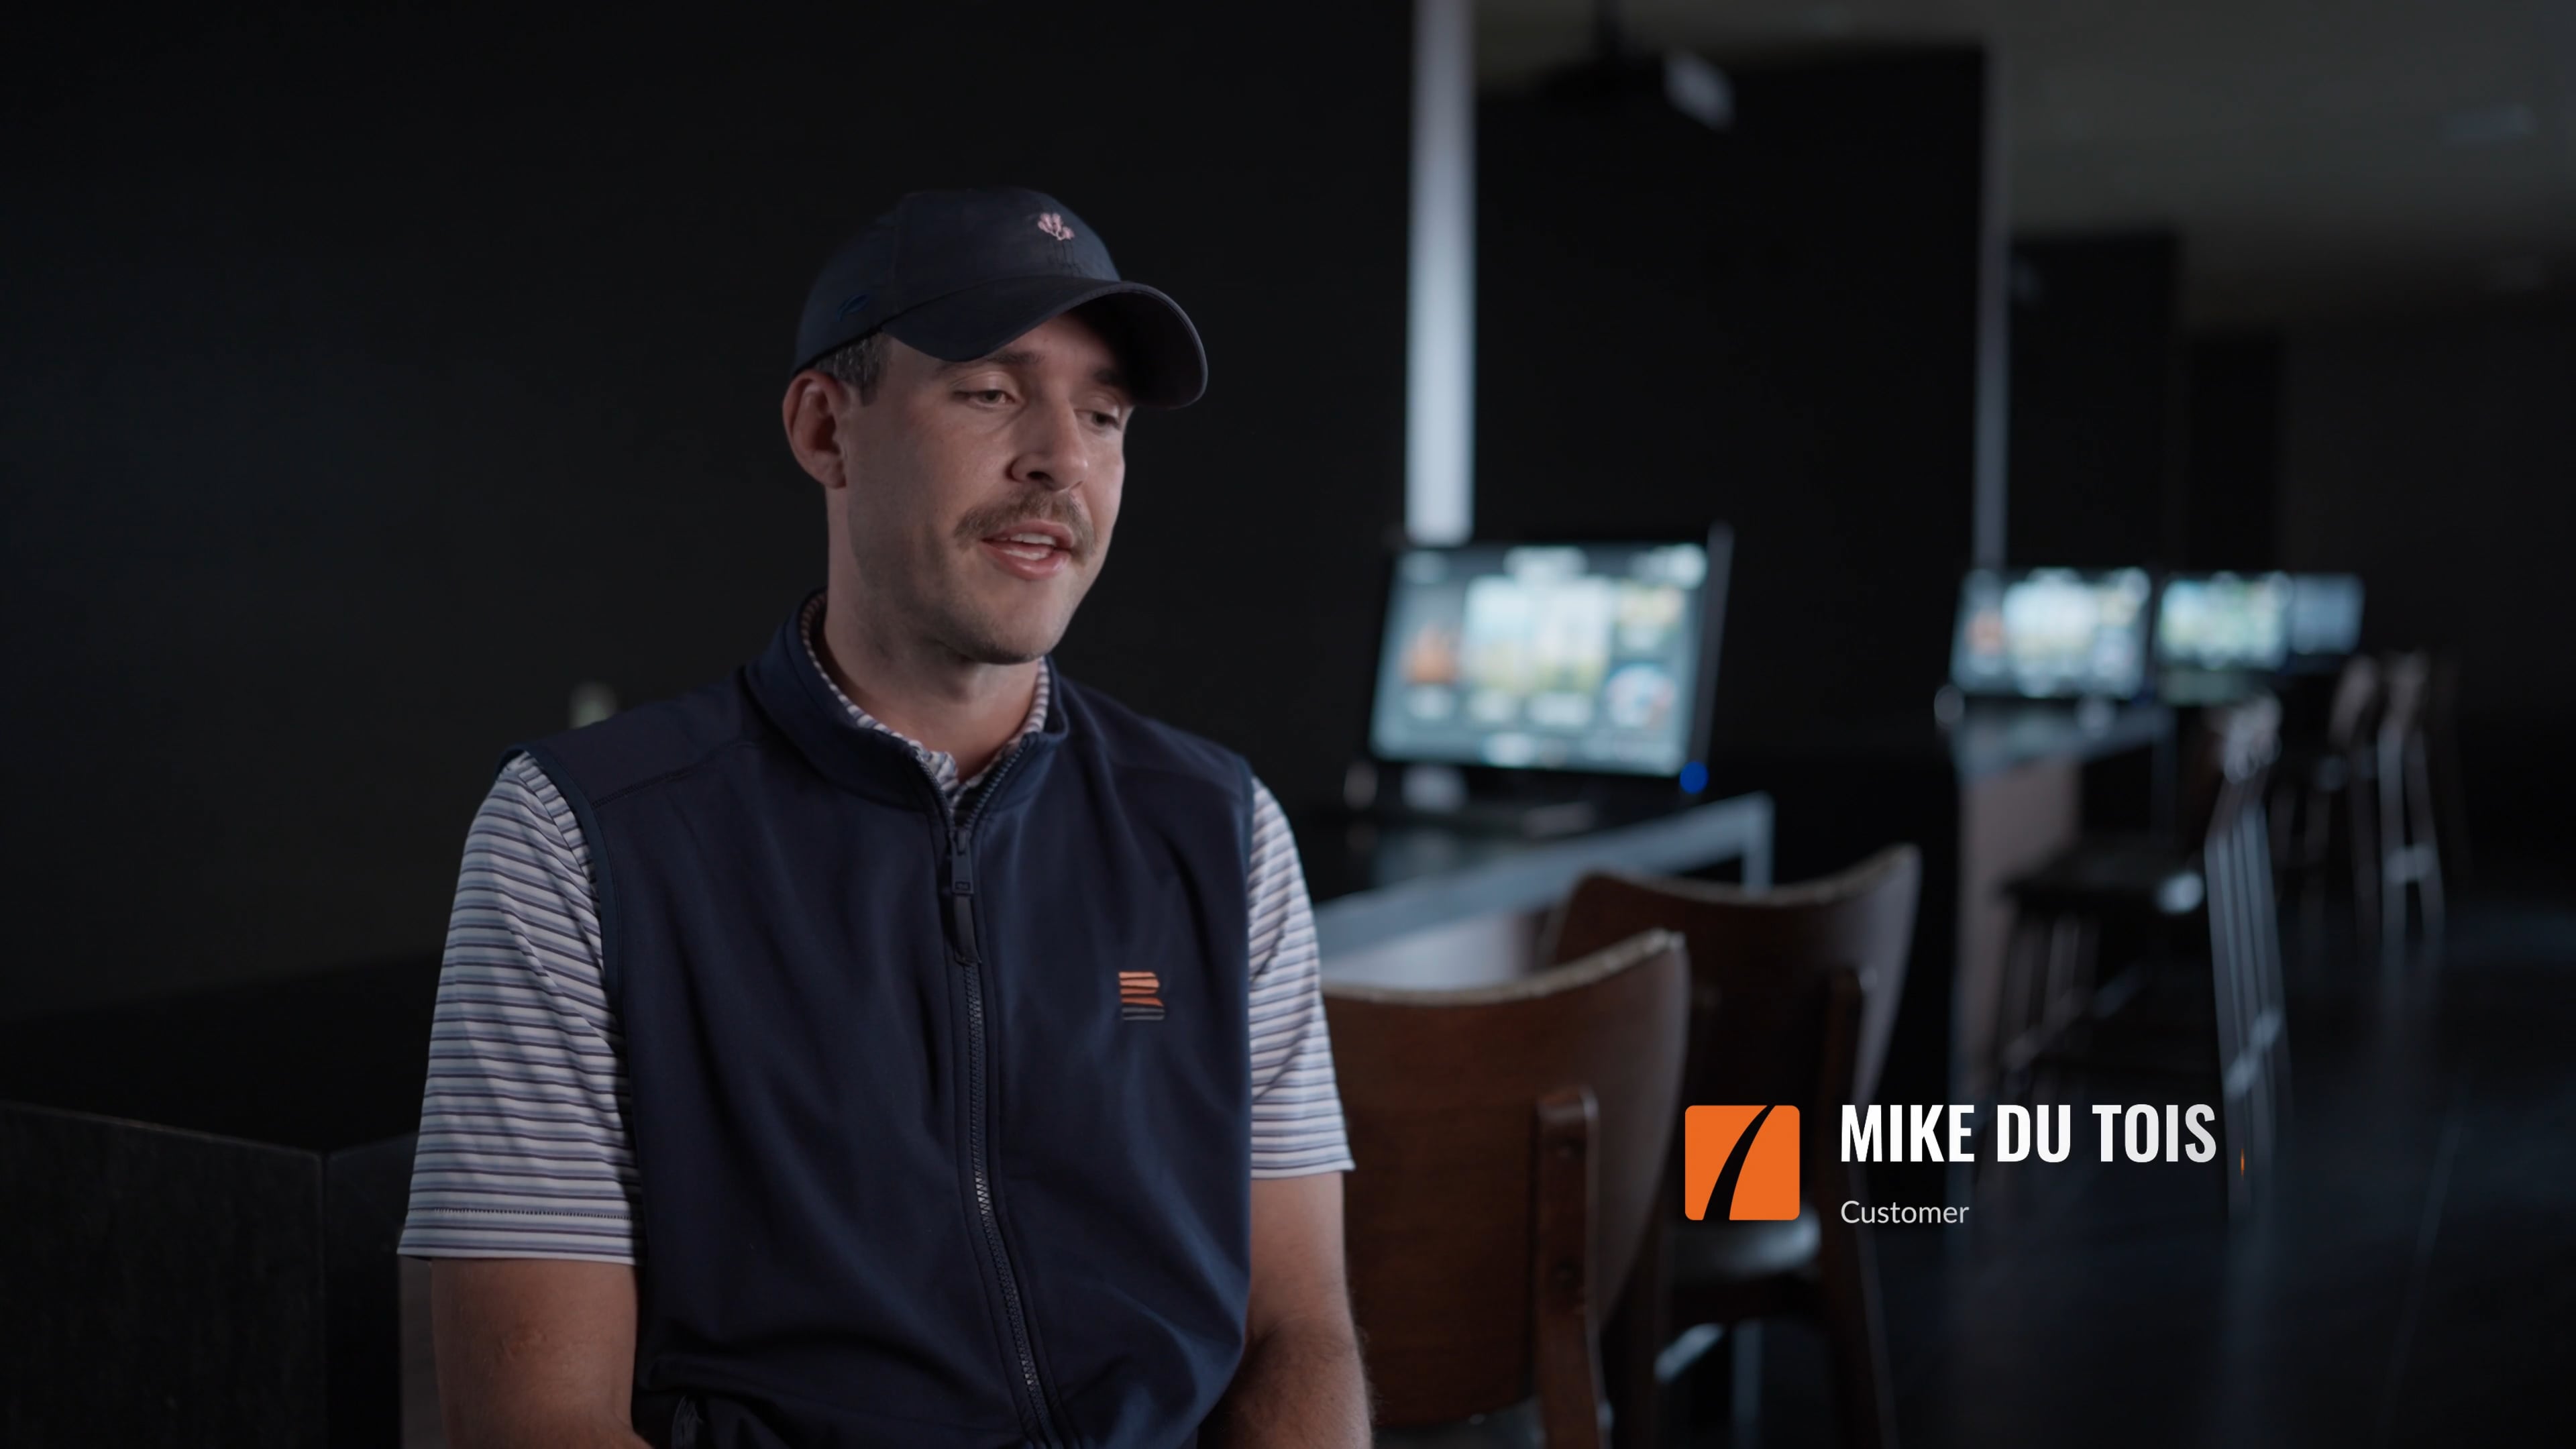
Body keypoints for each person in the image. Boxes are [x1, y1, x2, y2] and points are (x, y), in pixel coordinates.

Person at [401, 186, 1368, 1448]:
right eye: (989, 392)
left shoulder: (1222, 829)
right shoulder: (577, 841)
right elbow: (534, 1426)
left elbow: (1299, 1333)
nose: (1060, 460)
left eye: (1104, 415)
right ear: (825, 427)